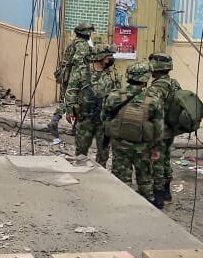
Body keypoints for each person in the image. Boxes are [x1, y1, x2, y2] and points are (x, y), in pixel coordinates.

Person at [101, 62, 163, 204]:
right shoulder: (153, 99)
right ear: (146, 78)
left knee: (120, 176)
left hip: (120, 144)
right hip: (143, 146)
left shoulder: (114, 95)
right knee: (145, 177)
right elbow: (159, 127)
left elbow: (104, 118)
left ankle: (121, 203)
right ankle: (149, 205)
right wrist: (156, 148)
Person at [63, 44, 121, 167]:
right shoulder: (83, 71)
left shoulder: (112, 73)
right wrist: (69, 110)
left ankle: (101, 175)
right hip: (85, 119)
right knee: (81, 151)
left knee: (103, 152)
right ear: (101, 56)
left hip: (104, 120)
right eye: (109, 55)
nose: (111, 58)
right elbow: (71, 90)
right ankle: (81, 174)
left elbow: (118, 94)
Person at [146, 53, 182, 208]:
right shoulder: (174, 83)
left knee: (157, 162)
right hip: (171, 129)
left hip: (159, 130)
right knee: (165, 159)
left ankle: (158, 197)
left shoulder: (157, 87)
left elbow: (151, 108)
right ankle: (167, 193)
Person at [48, 22, 95, 137]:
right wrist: (84, 77)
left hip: (67, 74)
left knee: (69, 99)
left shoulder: (75, 42)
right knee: (78, 100)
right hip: (74, 75)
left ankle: (57, 120)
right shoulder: (82, 44)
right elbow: (78, 59)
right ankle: (62, 123)